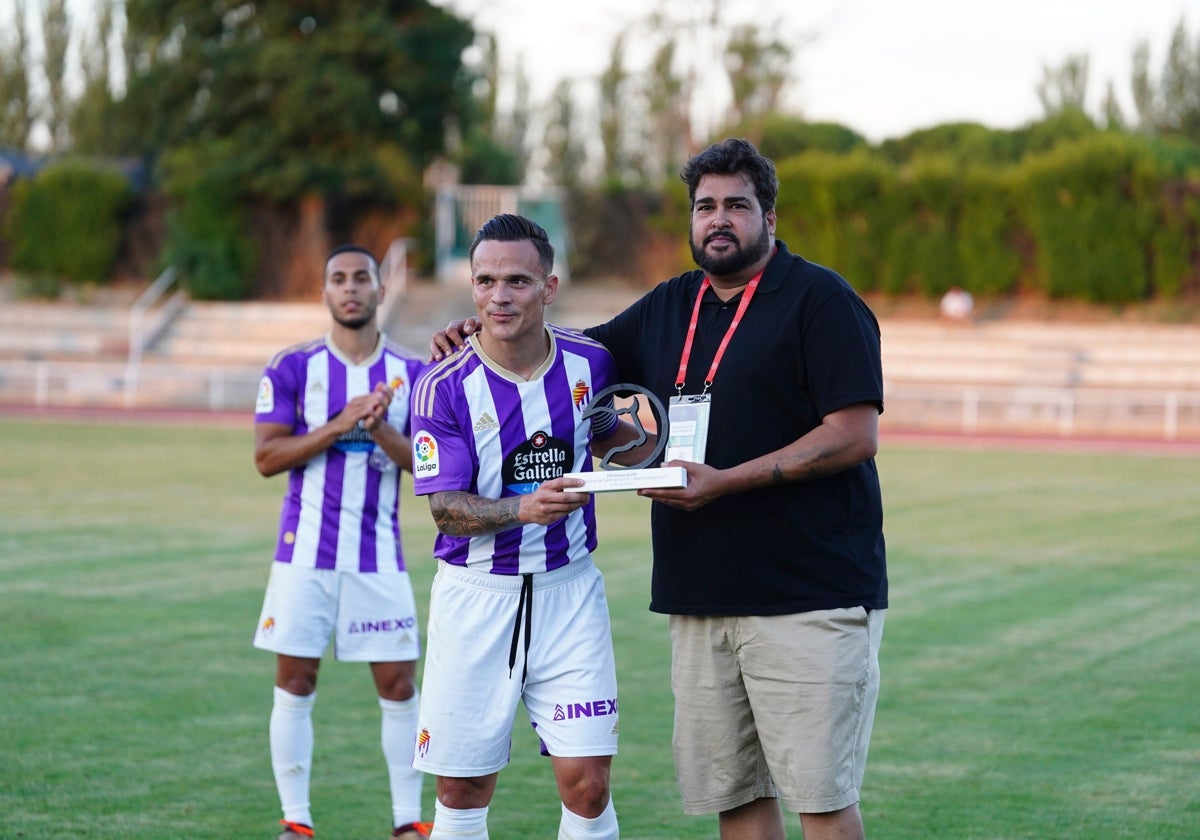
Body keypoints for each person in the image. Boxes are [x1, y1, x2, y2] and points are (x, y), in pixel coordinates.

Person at [431, 139, 887, 840]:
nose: (719, 219)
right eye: (705, 206)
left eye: (737, 204)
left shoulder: (820, 299)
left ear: (769, 213)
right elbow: (556, 351)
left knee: (820, 801)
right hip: (701, 597)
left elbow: (854, 434)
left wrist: (725, 482)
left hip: (807, 595)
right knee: (736, 798)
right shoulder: (672, 304)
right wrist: (483, 325)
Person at [410, 214, 650, 840]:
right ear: (471, 287)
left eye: (518, 280)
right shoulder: (441, 385)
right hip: (475, 598)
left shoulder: (592, 363)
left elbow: (618, 440)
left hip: (568, 592)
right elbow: (445, 511)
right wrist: (523, 509)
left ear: (549, 286)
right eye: (486, 281)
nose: (499, 295)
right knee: (462, 792)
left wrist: (652, 454)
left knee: (589, 786)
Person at [253, 245, 432, 840]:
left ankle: (407, 822)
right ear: (324, 292)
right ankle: (296, 822)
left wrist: (378, 425)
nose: (350, 288)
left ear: (382, 290)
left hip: (379, 557)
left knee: (400, 686)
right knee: (296, 682)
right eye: (338, 279)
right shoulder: (293, 367)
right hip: (302, 557)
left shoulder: (414, 373)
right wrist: (338, 423)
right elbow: (266, 457)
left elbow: (428, 469)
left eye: (362, 278)